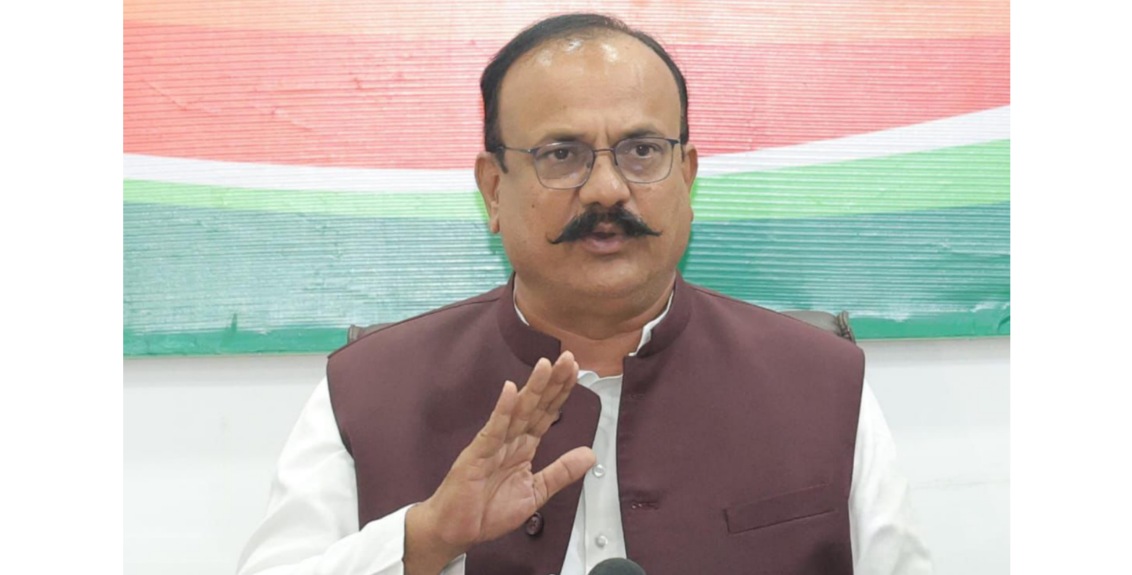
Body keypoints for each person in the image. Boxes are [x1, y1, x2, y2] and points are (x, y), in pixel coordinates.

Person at [237, 13, 933, 575]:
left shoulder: (821, 383)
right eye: (561, 154)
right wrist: (423, 540)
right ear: (493, 190)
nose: (606, 188)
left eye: (642, 151)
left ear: (687, 176)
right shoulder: (370, 390)